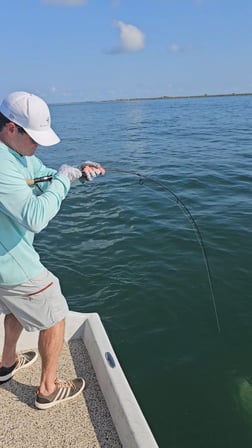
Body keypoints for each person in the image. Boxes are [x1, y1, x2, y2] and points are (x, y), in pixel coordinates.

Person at [0, 91, 105, 409]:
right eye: (34, 138)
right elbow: (35, 217)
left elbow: (40, 178)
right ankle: (47, 389)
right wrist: (62, 179)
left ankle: (5, 365)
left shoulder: (17, 155)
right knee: (55, 312)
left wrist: (75, 176)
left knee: (17, 308)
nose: (39, 145)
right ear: (11, 128)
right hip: (10, 262)